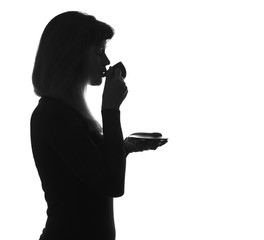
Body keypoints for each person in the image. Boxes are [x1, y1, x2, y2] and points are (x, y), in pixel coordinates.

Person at [30, 11, 166, 240]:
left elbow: (91, 169)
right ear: (72, 55)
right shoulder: (53, 115)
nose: (106, 61)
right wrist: (111, 110)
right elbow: (112, 183)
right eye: (99, 51)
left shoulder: (68, 113)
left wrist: (124, 147)